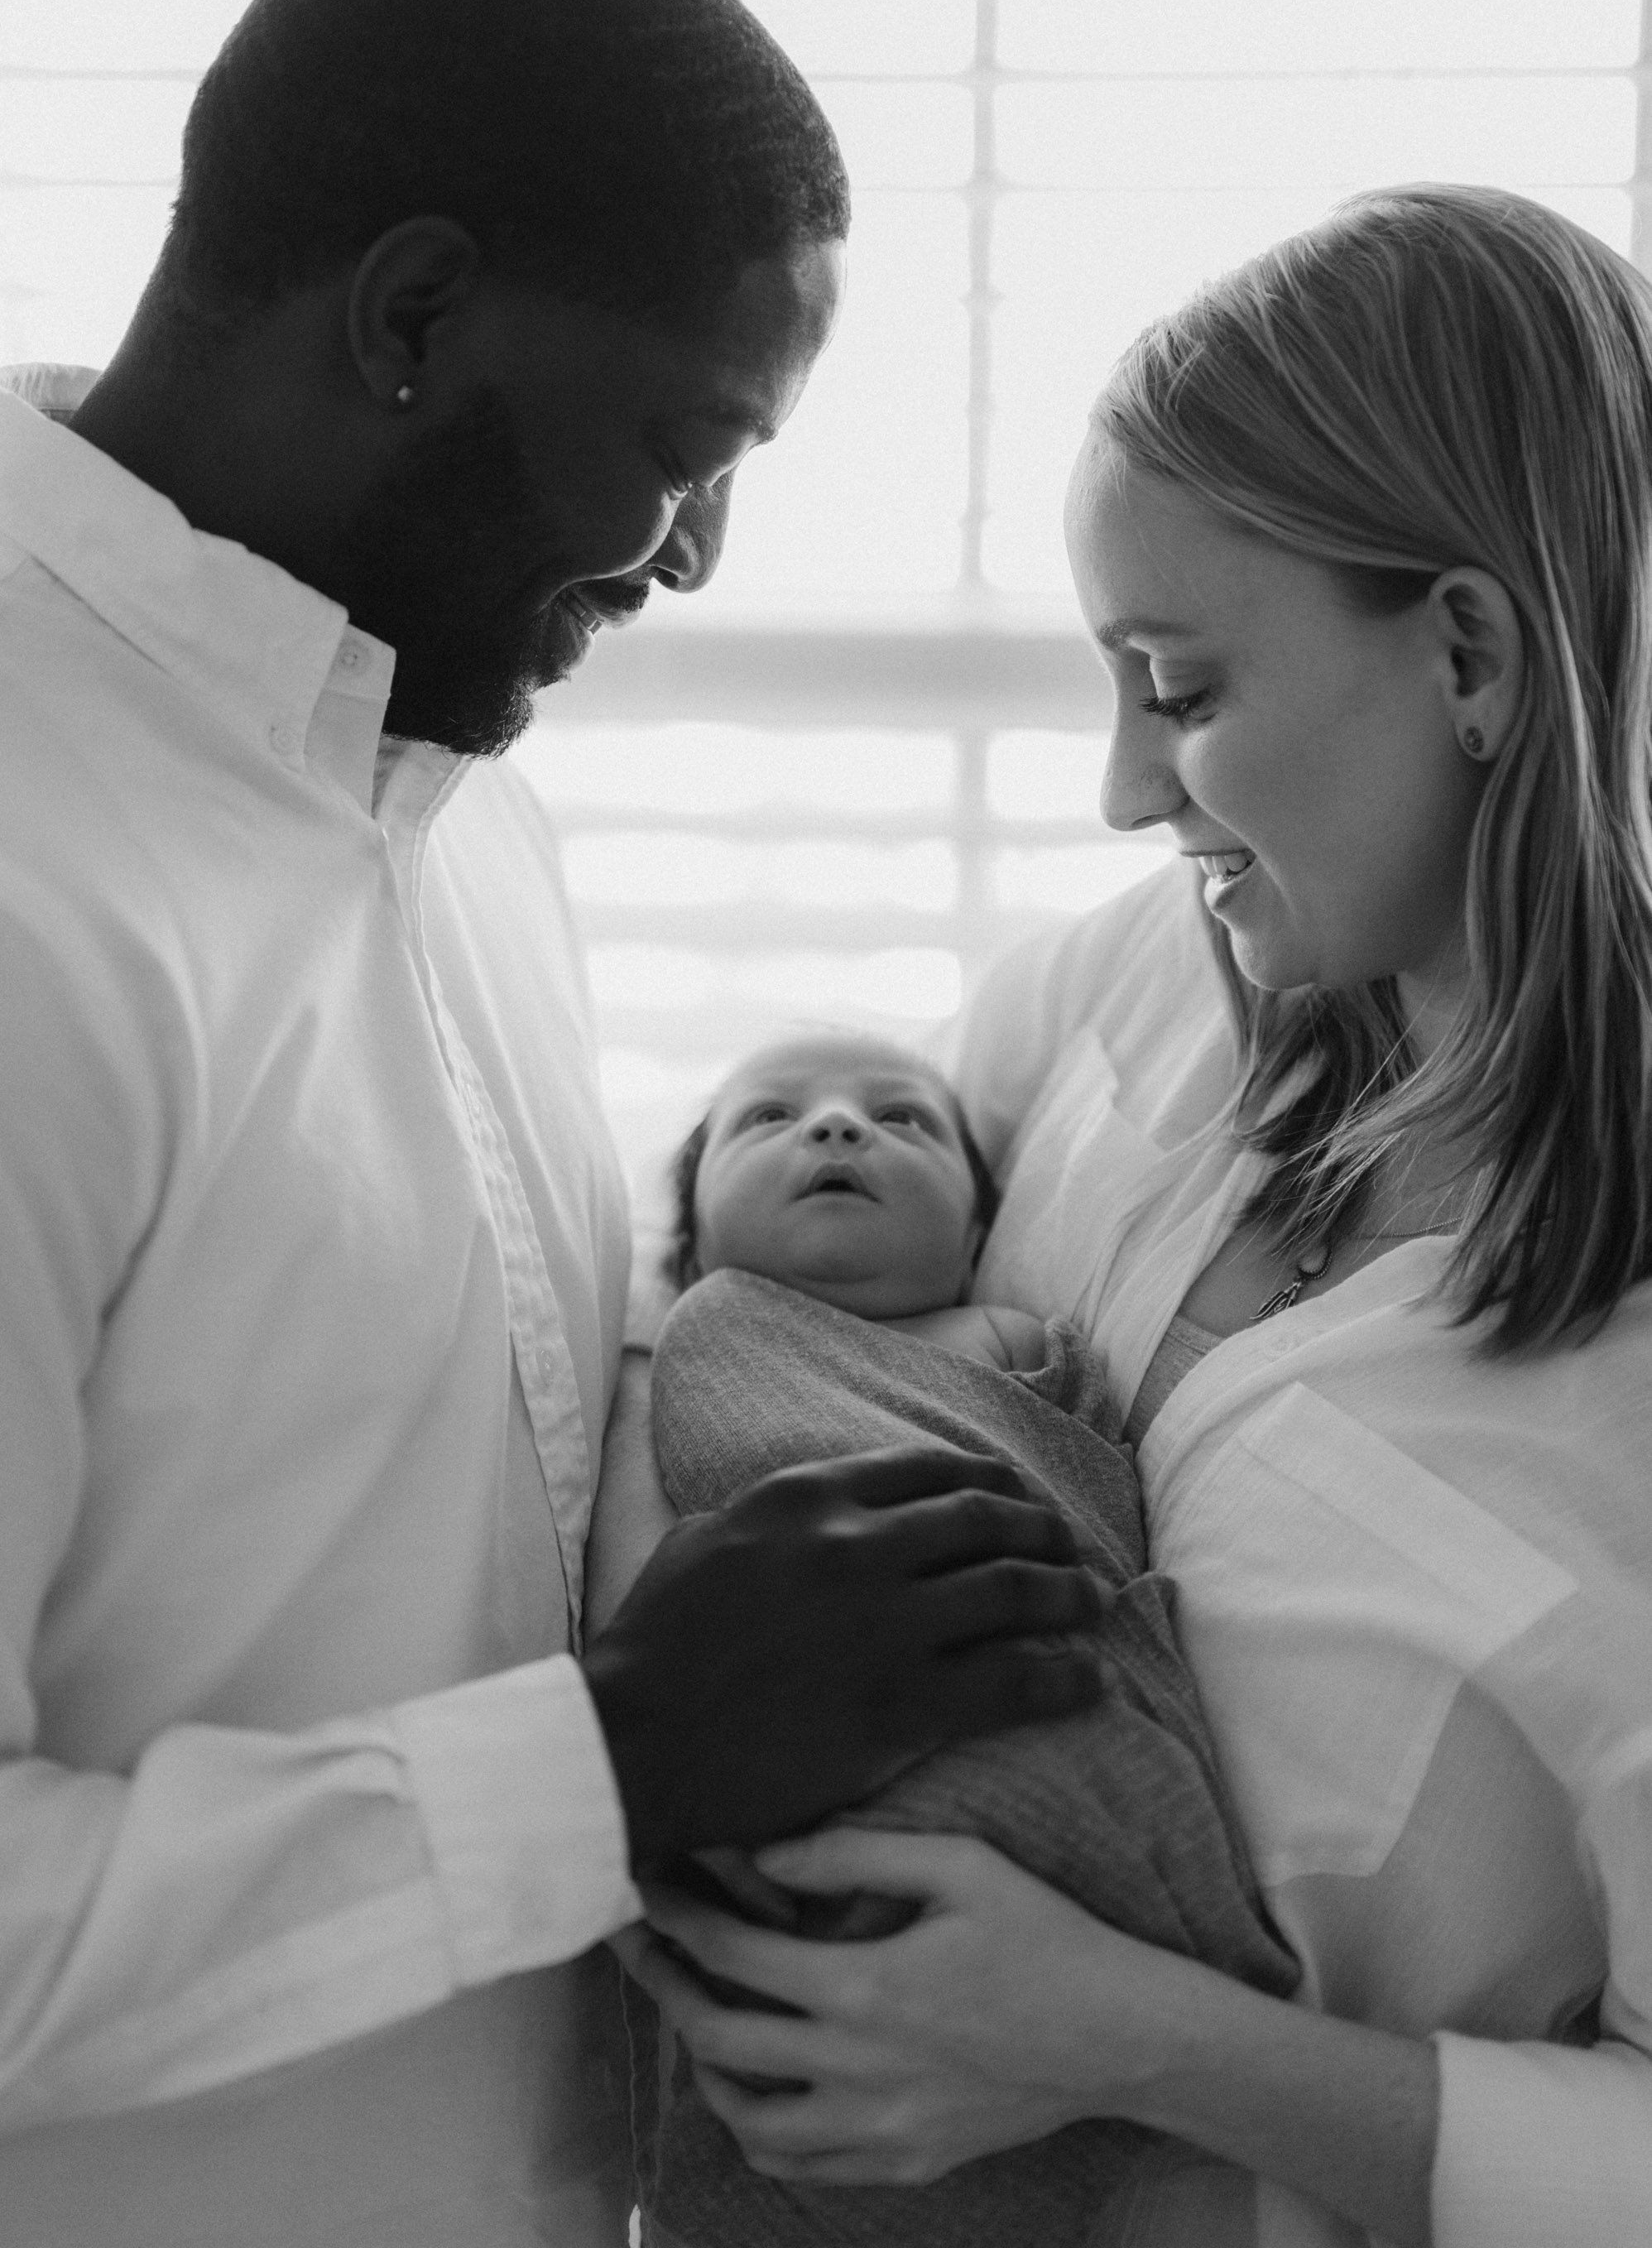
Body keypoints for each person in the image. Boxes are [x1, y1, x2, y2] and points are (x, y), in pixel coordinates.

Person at [0, 0, 1106, 2248]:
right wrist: (613, 1759)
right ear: (413, 313)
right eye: (684, 439)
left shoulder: (465, 804)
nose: (697, 553)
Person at [615, 185, 1652, 2247]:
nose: (1115, 788)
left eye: (1175, 689)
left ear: (1466, 653)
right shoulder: (1118, 1007)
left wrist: (1113, 2038)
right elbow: (792, 1295)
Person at [591, 1028, 1294, 2247]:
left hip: (1041, 1699)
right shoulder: (686, 1345)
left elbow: (1094, 1518)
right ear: (694, 1234)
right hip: (787, 1771)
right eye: (771, 1118)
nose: (837, 1126)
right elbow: (646, 1616)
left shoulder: (1025, 1347)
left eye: (904, 1119)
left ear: (975, 1229)